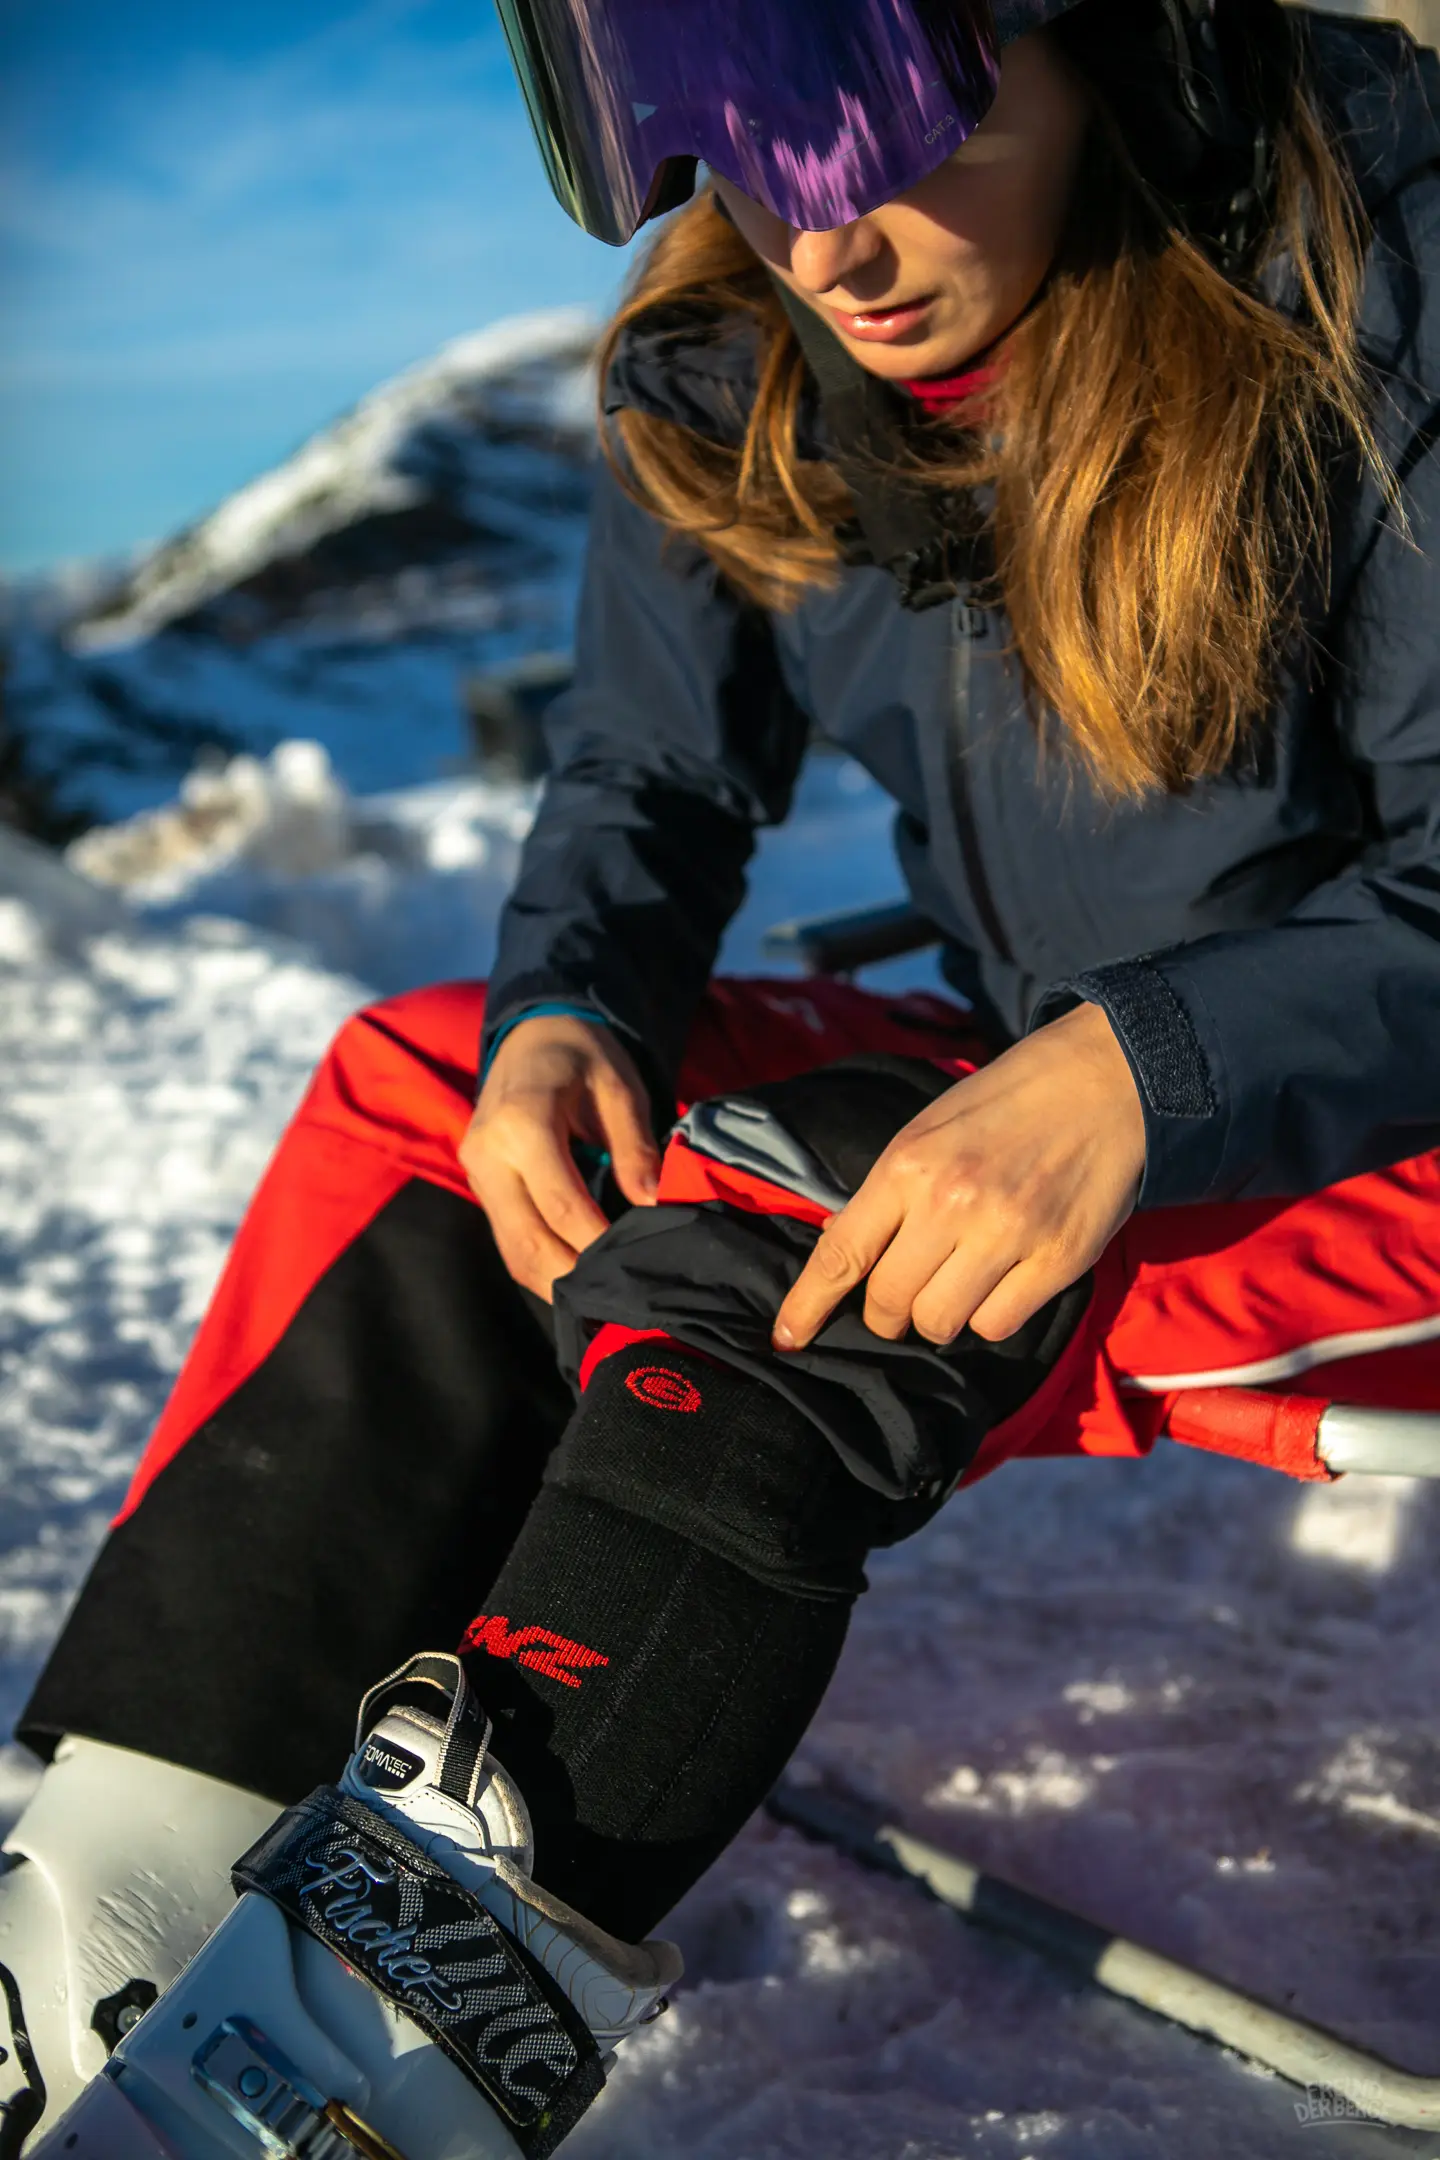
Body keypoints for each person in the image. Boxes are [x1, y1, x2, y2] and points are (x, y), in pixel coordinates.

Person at [6, 0, 1440, 2151]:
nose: (823, 227)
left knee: (773, 1219)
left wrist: (1142, 1076)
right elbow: (650, 776)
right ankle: (101, 1922)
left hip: (1365, 1128)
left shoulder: (1360, 275)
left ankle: (316, 2091)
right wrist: (567, 1008)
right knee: (430, 1094)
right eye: (730, 144)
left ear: (1101, 46)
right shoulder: (739, 375)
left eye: (864, 118)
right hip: (1061, 1074)